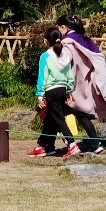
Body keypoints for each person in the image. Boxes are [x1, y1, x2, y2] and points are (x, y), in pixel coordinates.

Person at [59, 16, 106, 154]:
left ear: (64, 27)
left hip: (72, 83)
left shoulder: (67, 42)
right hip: (85, 81)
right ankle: (94, 143)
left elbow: (64, 62)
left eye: (59, 27)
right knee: (80, 113)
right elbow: (99, 58)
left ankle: (67, 142)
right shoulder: (86, 40)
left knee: (58, 112)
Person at [30, 27, 79, 158]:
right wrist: (69, 90)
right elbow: (70, 75)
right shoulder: (65, 56)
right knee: (50, 119)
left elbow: (43, 77)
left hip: (51, 90)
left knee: (59, 119)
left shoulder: (45, 56)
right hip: (63, 89)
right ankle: (44, 145)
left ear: (46, 41)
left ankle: (72, 144)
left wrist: (40, 94)